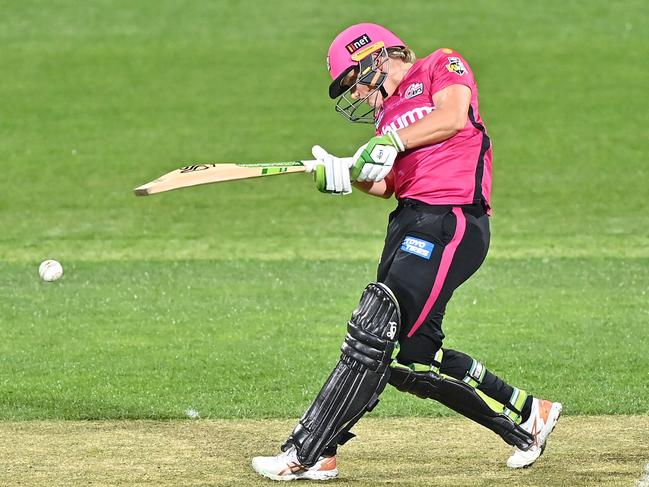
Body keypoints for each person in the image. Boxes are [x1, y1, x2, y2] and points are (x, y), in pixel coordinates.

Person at [251, 23, 562, 481]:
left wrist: (392, 140)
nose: (354, 94)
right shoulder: (386, 117)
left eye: (353, 81)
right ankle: (528, 415)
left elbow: (454, 116)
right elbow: (390, 184)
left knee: (374, 332)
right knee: (410, 355)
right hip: (409, 219)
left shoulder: (440, 64)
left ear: (376, 57)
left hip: (451, 218)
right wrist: (344, 176)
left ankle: (313, 448)